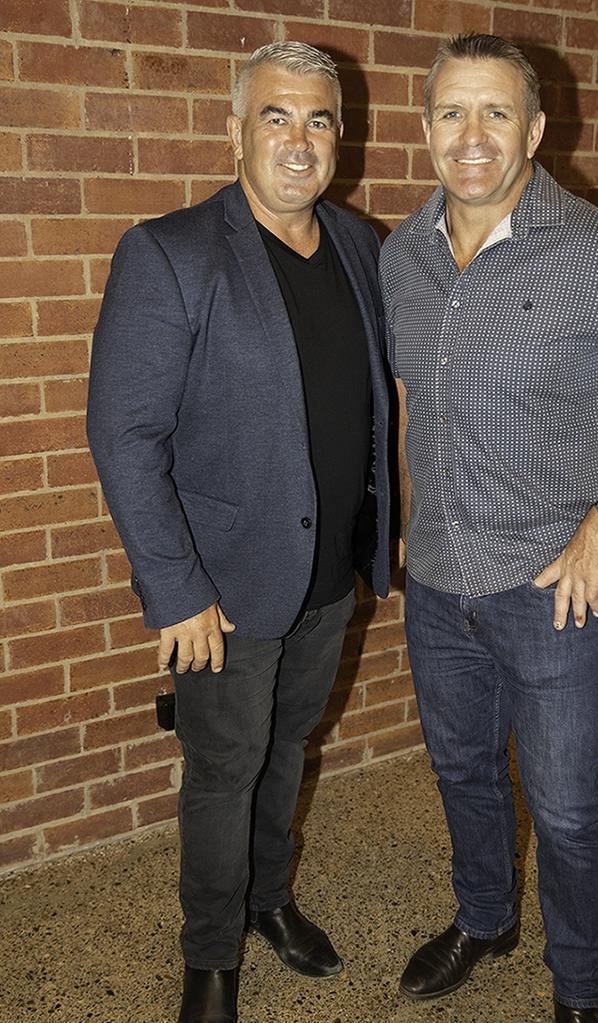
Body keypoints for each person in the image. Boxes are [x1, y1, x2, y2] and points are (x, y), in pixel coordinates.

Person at [379, 33, 598, 1023]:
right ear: (428, 128)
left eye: (496, 112)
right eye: (452, 111)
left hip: (555, 587)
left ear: (535, 129)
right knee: (462, 770)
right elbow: (417, 398)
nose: (472, 134)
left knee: (569, 806)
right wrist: (410, 525)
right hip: (441, 585)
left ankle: (581, 989)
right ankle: (485, 919)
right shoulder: (402, 255)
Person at [87, 41, 390, 1023]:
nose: (299, 140)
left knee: (289, 745)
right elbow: (125, 435)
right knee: (224, 771)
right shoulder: (170, 252)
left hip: (329, 574)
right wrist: (176, 592)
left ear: (338, 137)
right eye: (276, 116)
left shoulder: (359, 245)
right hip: (221, 586)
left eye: (319, 120)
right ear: (235, 128)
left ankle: (270, 901)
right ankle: (210, 956)